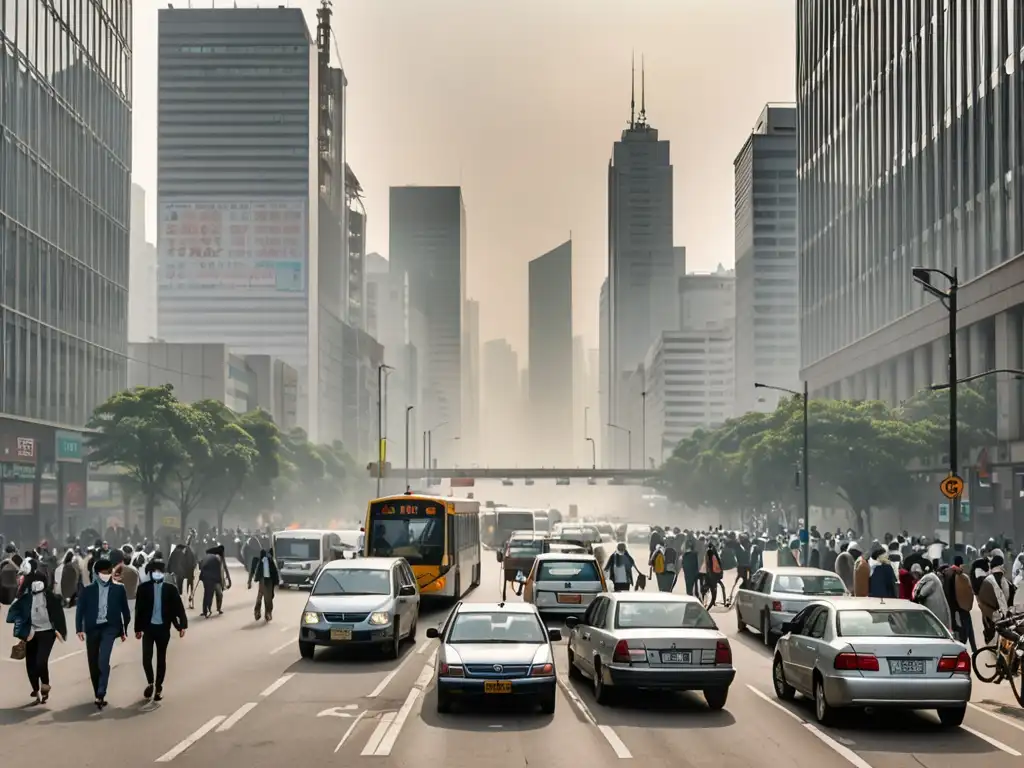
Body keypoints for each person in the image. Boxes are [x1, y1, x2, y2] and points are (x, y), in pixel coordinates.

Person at [75, 557, 131, 708]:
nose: (106, 574)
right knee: (93, 662)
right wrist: (79, 629)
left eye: (108, 571)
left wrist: (124, 629)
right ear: (97, 573)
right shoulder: (88, 590)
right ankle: (97, 694)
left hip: (110, 627)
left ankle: (101, 691)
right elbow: (80, 610)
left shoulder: (119, 589)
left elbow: (125, 611)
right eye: (103, 571)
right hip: (92, 627)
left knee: (103, 659)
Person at [5, 571, 66, 704]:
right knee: (30, 663)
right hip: (30, 633)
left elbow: (58, 615)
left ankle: (45, 684)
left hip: (47, 633)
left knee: (41, 661)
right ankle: (35, 689)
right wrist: (22, 627)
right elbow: (11, 615)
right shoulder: (25, 598)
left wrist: (60, 631)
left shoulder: (50, 597)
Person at [134, 559, 187, 701]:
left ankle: (158, 686)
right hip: (148, 628)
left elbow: (178, 609)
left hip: (163, 628)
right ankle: (150, 682)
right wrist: (137, 629)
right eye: (154, 572)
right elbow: (138, 610)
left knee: (161, 658)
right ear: (150, 573)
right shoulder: (143, 589)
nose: (157, 574)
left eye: (160, 572)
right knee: (146, 658)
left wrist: (182, 626)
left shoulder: (171, 589)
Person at [198, 544, 231, 617]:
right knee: (211, 594)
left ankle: (215, 609)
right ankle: (207, 610)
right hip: (214, 579)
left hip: (214, 579)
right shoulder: (215, 558)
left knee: (211, 594)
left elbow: (224, 567)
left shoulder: (216, 557)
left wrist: (228, 579)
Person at [248, 549, 280, 621]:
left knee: (268, 598)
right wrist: (250, 581)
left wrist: (276, 582)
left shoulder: (271, 560)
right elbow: (255, 570)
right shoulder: (261, 560)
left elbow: (275, 572)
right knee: (262, 596)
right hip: (263, 580)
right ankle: (259, 612)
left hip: (269, 580)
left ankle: (267, 613)